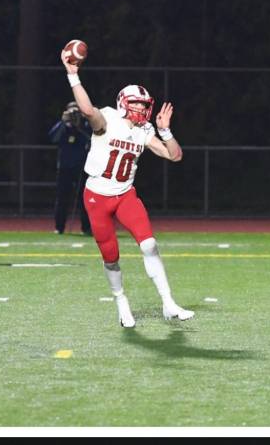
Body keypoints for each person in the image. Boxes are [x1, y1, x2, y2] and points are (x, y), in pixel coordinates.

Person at [61, 45, 194, 328]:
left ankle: (168, 303)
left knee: (149, 244)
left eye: (145, 106)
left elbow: (174, 155)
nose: (142, 110)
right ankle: (121, 302)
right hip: (97, 196)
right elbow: (87, 110)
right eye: (137, 104)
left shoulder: (144, 130)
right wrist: (74, 75)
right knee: (111, 257)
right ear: (124, 103)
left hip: (124, 195)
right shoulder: (107, 119)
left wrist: (166, 131)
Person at [49, 103, 92, 236]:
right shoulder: (63, 126)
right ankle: (59, 227)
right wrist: (64, 122)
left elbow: (91, 139)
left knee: (85, 199)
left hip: (82, 168)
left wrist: (79, 124)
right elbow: (53, 138)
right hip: (64, 168)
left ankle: (86, 227)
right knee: (62, 198)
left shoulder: (85, 125)